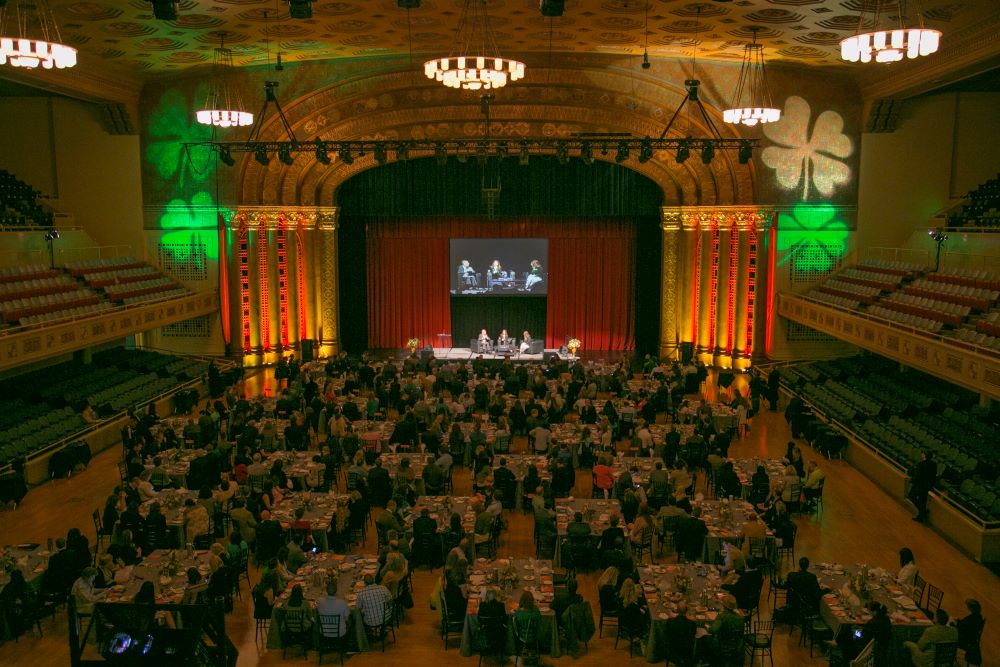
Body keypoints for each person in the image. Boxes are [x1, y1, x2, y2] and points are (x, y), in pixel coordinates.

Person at [663, 601, 697, 667]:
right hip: (687, 652)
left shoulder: (670, 622)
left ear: (677, 610)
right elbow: (694, 634)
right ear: (687, 611)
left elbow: (666, 633)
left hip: (672, 651)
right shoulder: (692, 624)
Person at [909, 450, 937, 522]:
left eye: (923, 454)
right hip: (927, 486)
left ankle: (922, 512)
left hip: (919, 485)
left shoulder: (921, 464)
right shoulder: (934, 464)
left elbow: (918, 475)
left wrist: (912, 481)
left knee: (912, 496)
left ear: (924, 455)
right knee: (923, 500)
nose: (921, 455)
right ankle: (921, 515)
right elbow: (933, 476)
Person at [954, 599, 984, 666]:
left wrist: (956, 624)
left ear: (972, 608)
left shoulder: (972, 618)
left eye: (969, 607)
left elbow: (962, 627)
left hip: (965, 641)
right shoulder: (979, 617)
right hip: (971, 640)